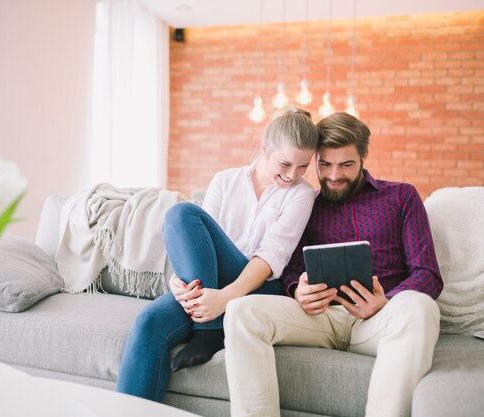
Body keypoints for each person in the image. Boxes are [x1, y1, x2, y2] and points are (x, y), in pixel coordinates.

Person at [224, 112, 443, 417]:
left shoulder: (401, 197)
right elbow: (287, 267)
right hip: (319, 319)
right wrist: (296, 289)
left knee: (420, 307)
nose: (334, 175)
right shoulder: (306, 203)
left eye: (346, 165)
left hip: (379, 321)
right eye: (324, 164)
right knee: (240, 311)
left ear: (364, 156)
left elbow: (428, 274)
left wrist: (386, 302)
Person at [116, 105, 320, 402]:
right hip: (208, 285)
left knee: (183, 212)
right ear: (264, 147)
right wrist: (178, 282)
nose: (293, 175)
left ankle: (210, 330)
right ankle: (207, 326)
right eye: (285, 164)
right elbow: (194, 242)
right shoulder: (226, 180)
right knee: (150, 323)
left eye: (303, 167)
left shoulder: (301, 193)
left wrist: (225, 299)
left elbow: (272, 255)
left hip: (257, 287)